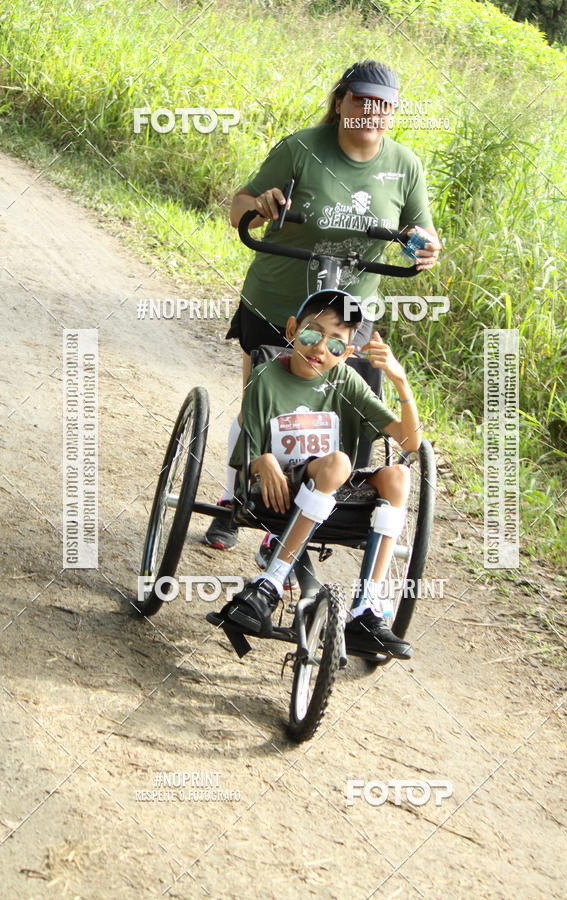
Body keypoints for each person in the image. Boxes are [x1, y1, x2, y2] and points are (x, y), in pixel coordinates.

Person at [204, 58, 440, 551]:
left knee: (338, 415)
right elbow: (237, 207)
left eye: (382, 105)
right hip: (278, 300)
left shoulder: (404, 166)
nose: (369, 112)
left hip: (349, 316)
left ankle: (298, 519)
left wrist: (424, 246)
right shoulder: (301, 148)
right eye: (360, 100)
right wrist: (261, 206)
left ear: (393, 112)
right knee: (267, 402)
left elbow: (423, 234)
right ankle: (234, 499)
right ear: (341, 102)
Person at [211, 289, 420, 657]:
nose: (320, 349)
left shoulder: (346, 382)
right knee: (339, 461)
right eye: (311, 335)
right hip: (276, 490)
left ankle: (366, 607)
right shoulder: (266, 376)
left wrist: (399, 381)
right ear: (292, 329)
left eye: (336, 346)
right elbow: (249, 444)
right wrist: (263, 461)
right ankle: (272, 580)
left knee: (398, 475)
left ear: (347, 354)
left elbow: (409, 440)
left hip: (330, 489)